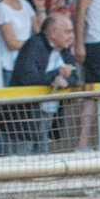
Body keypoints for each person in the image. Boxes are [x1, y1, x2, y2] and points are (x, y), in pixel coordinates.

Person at [7, 12, 80, 154]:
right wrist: (56, 74)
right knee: (24, 154)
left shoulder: (64, 49)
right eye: (67, 32)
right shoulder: (33, 45)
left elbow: (75, 75)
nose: (72, 36)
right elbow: (27, 78)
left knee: (42, 153)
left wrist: (65, 81)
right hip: (26, 113)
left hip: (49, 111)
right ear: (52, 32)